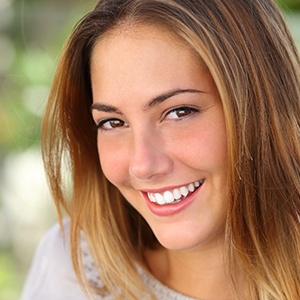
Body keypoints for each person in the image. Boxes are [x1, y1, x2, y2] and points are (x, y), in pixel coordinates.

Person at [21, 0, 300, 299]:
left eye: (179, 112)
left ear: (263, 109)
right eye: (113, 122)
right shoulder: (70, 273)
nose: (142, 165)